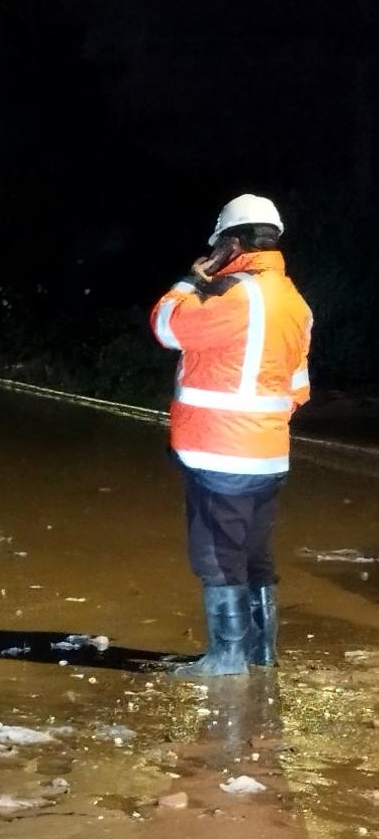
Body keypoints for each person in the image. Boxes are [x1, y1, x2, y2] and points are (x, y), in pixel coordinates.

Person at [151, 194, 312, 677]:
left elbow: (166, 326)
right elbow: (299, 388)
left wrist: (190, 278)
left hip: (221, 455)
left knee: (218, 558)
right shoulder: (294, 302)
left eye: (219, 244)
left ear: (232, 243)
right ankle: (261, 655)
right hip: (268, 457)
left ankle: (226, 661)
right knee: (255, 557)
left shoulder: (236, 297)